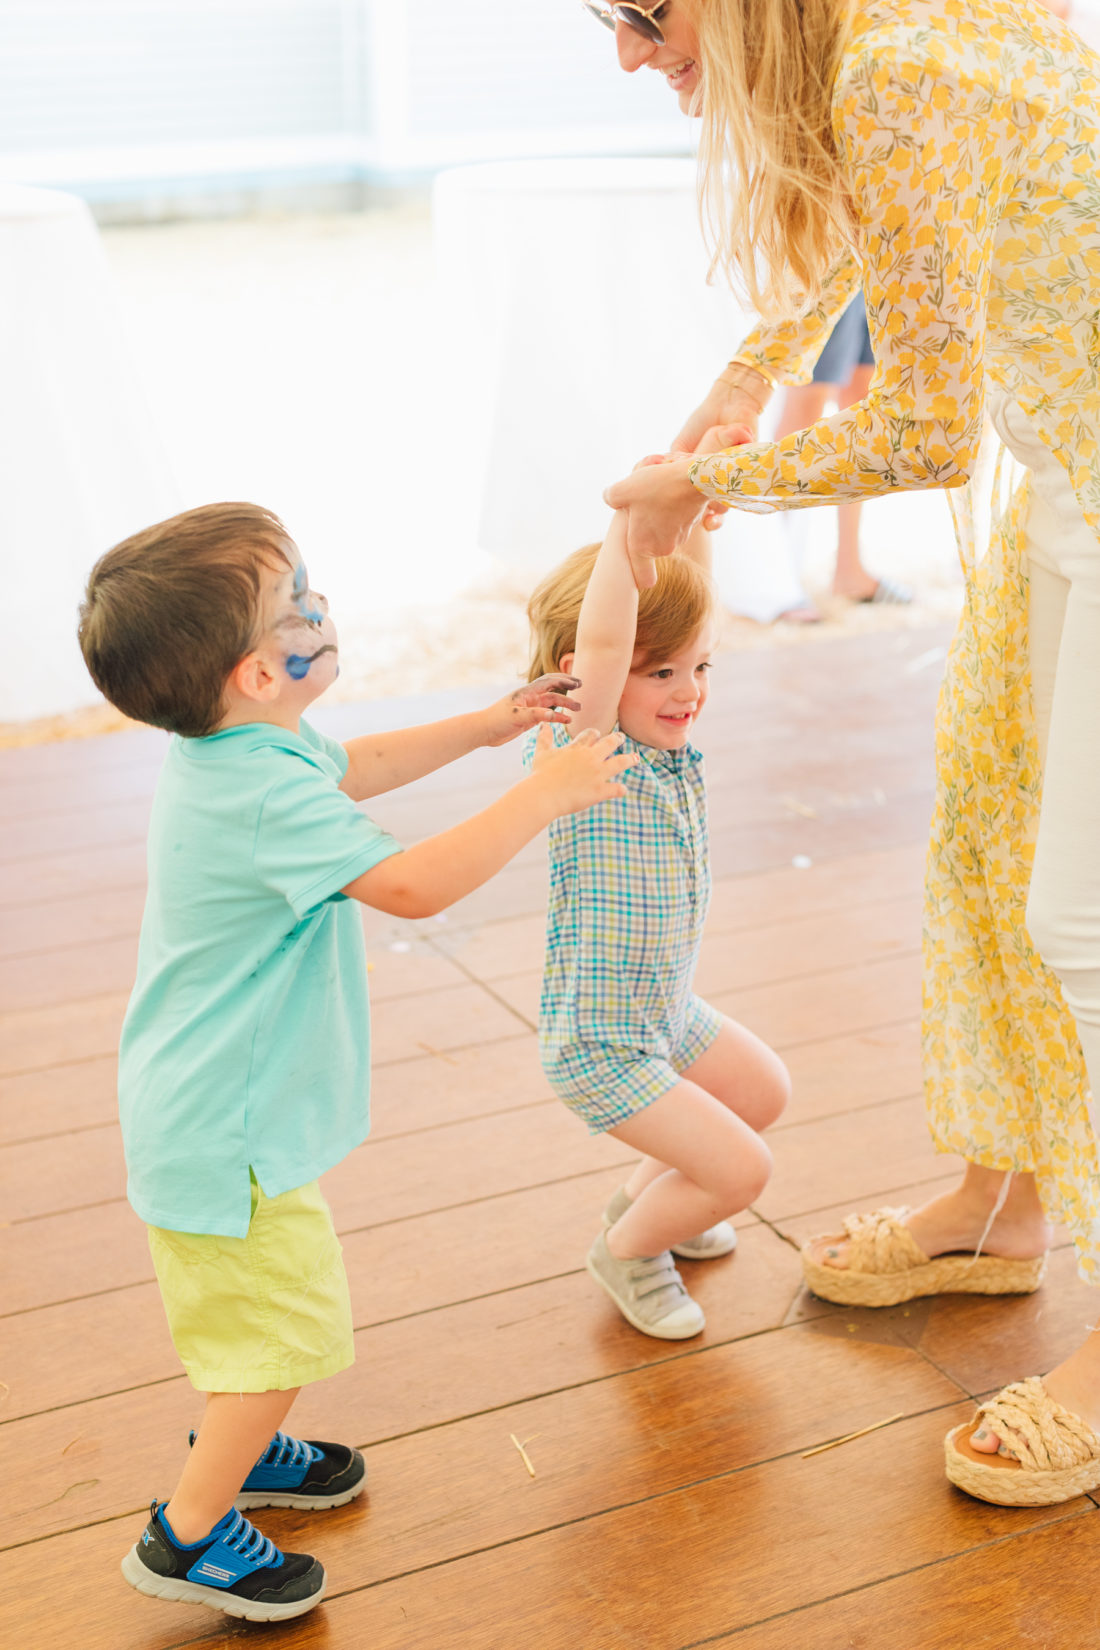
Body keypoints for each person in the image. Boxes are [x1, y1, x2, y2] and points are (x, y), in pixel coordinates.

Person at [587, 0, 1100, 1505]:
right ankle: (1001, 1205)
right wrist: (738, 386)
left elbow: (928, 428)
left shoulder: (890, 64)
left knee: (1084, 923)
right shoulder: (903, 28)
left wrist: (707, 478)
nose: (629, 54)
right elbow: (897, 242)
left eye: (643, 13)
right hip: (1070, 478)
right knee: (992, 841)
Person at [77, 502, 634, 1622]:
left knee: (254, 1314)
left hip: (212, 1108)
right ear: (253, 671)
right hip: (220, 1131)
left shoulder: (242, 751)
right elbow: (413, 888)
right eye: (297, 606)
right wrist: (539, 788)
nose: (321, 610)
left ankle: (251, 1447)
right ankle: (186, 1535)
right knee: (281, 1329)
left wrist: (484, 727)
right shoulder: (262, 794)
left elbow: (353, 765)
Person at [523, 486, 790, 1340]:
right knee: (745, 1171)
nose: (689, 692)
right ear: (583, 675)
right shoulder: (586, 748)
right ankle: (631, 1251)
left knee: (762, 1092)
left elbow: (688, 599)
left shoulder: (662, 744)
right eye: (661, 672)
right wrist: (628, 519)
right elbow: (606, 638)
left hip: (661, 1013)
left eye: (699, 668)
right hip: (602, 1043)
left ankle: (646, 1205)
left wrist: (695, 491)